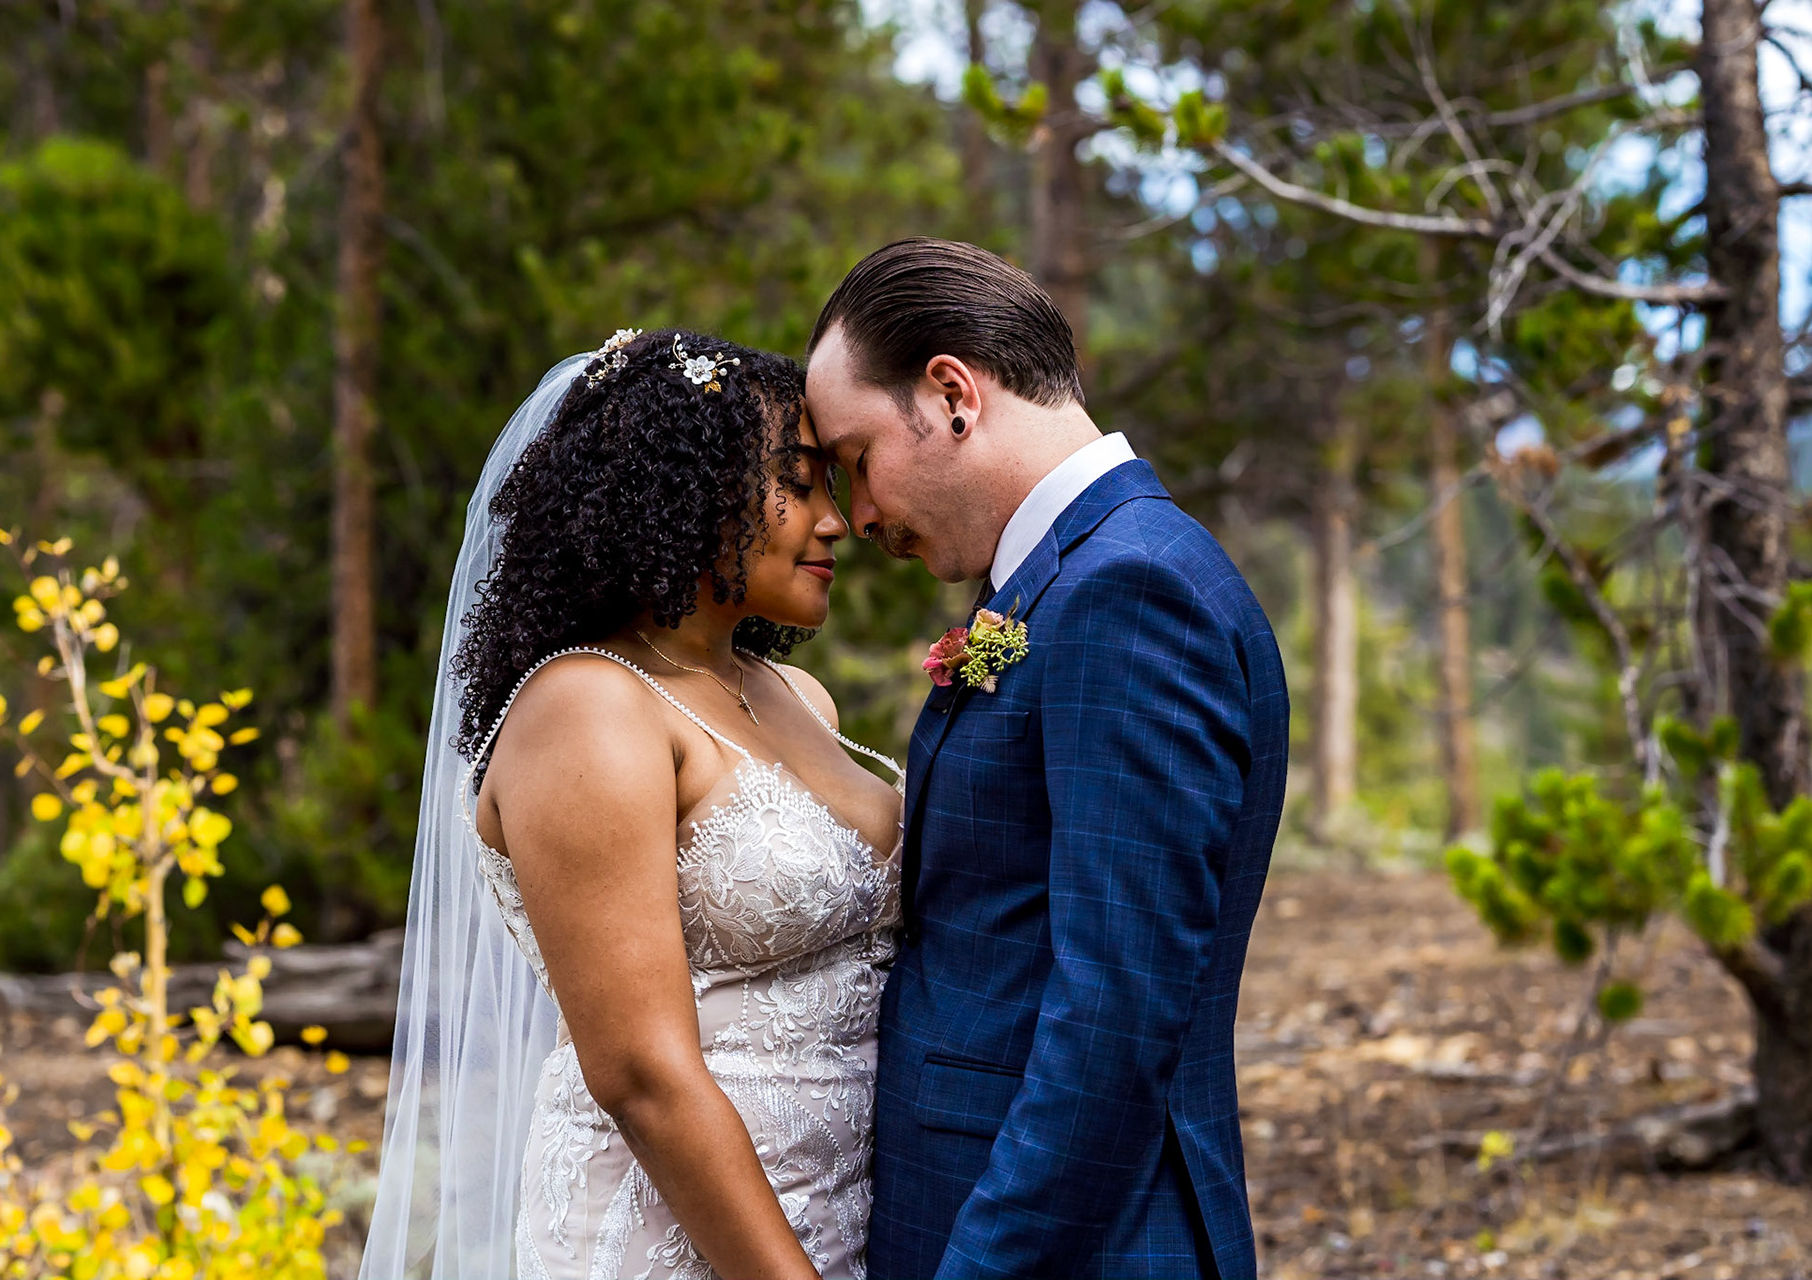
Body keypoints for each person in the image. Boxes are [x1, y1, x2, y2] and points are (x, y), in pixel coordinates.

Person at [360, 329, 904, 1280]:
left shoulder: (793, 696)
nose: (839, 520)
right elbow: (640, 1074)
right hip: (686, 1241)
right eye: (801, 481)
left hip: (855, 1216)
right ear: (685, 490)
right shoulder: (587, 708)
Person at [803, 238, 1290, 1280]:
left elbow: (1113, 1013)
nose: (856, 515)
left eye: (854, 457)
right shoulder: (1064, 583)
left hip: (1074, 1243)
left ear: (951, 394)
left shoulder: (1128, 594)